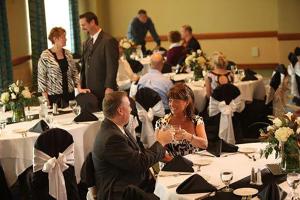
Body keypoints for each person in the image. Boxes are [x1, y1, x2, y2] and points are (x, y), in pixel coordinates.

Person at [92, 91, 173, 199]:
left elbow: (136, 155)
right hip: (122, 193)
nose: (131, 110)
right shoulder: (111, 138)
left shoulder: (116, 128)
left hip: (134, 184)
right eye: (129, 106)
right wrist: (161, 142)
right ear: (120, 110)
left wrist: (160, 155)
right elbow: (139, 164)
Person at [38, 27, 89, 108]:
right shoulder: (45, 56)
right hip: (54, 97)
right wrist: (45, 99)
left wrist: (79, 88)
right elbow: (41, 79)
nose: (66, 39)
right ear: (55, 39)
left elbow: (74, 73)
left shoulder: (68, 53)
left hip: (69, 95)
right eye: (63, 37)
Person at [155, 83, 208, 157]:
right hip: (171, 165)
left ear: (187, 102)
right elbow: (158, 152)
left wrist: (187, 136)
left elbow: (204, 145)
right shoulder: (161, 123)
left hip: (194, 163)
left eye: (176, 101)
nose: (172, 104)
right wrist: (179, 163)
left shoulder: (197, 120)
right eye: (170, 100)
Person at [79, 12, 119, 109]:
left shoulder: (108, 40)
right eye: (81, 25)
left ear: (92, 22)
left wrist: (109, 87)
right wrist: (81, 86)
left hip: (103, 90)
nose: (82, 28)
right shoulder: (86, 42)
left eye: (83, 25)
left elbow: (112, 66)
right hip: (88, 92)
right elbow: (84, 66)